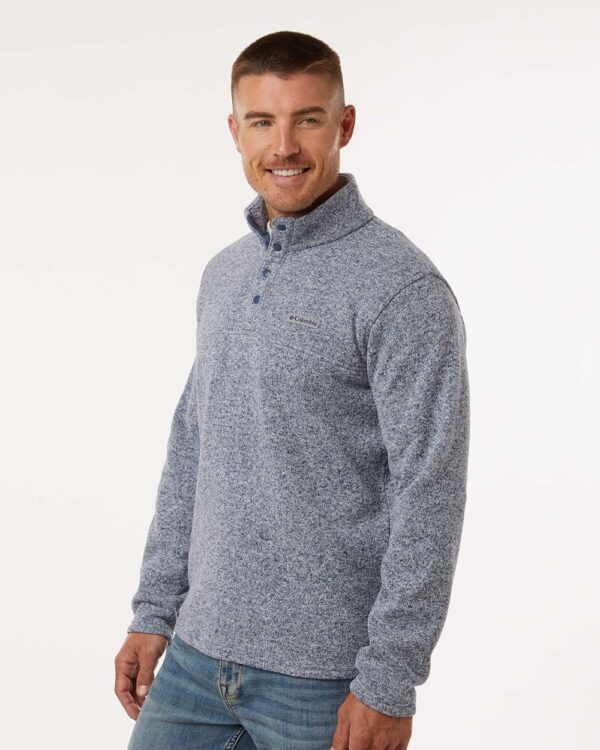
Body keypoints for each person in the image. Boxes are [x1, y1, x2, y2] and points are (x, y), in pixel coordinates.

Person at [114, 29, 470, 750]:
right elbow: (191, 448)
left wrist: (389, 680)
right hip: (195, 656)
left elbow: (430, 491)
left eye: (307, 119)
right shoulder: (224, 274)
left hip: (324, 680)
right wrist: (155, 610)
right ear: (234, 131)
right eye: (262, 121)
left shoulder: (401, 288)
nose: (283, 146)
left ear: (345, 124)